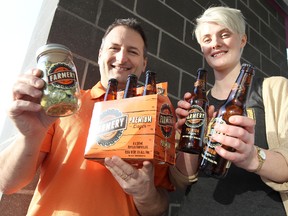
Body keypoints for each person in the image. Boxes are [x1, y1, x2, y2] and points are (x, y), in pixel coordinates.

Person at [0, 18, 174, 216]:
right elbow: (7, 184)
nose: (122, 57)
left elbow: (158, 207)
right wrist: (30, 135)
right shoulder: (63, 107)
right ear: (100, 55)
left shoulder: (155, 115)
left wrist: (145, 194)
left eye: (132, 51)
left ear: (144, 64)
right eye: (114, 48)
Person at [169, 6, 288, 216]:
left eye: (224, 34)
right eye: (206, 39)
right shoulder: (198, 102)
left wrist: (252, 157)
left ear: (242, 40)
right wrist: (189, 142)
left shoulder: (275, 88)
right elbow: (182, 179)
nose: (215, 43)